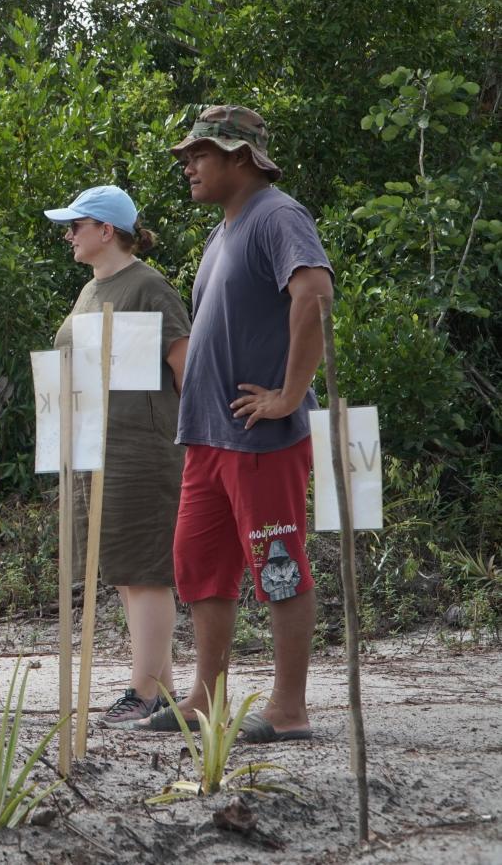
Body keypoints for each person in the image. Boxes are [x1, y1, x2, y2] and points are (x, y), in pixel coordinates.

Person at [138, 105, 333, 743]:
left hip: (261, 438)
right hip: (207, 438)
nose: (188, 166)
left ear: (239, 156)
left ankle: (289, 708)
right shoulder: (223, 231)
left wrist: (290, 394)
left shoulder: (278, 214)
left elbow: (315, 295)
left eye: (199, 154)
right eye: (187, 156)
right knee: (199, 565)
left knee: (277, 564)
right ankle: (204, 698)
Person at [44, 185, 191, 728]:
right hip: (93, 449)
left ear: (106, 230)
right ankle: (164, 692)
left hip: (141, 450)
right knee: (126, 574)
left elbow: (187, 368)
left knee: (147, 571)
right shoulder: (91, 289)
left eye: (76, 224)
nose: (68, 234)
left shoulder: (149, 286)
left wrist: (193, 443)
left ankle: (143, 691)